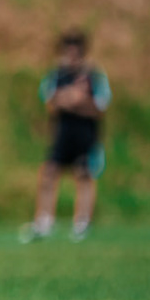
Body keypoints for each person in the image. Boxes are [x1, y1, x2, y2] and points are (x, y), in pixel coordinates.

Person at [23, 29, 111, 243]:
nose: (71, 57)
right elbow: (50, 102)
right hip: (63, 134)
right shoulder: (57, 75)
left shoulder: (94, 76)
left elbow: (100, 108)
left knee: (84, 174)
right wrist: (70, 98)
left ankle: (82, 222)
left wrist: (78, 102)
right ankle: (44, 221)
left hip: (85, 134)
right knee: (49, 173)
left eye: (75, 53)